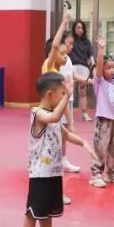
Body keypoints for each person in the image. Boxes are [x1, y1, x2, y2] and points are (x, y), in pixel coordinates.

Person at [20, 72, 93, 227]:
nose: (64, 97)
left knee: (47, 210)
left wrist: (84, 143)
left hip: (53, 172)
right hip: (39, 173)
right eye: (61, 94)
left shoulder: (54, 117)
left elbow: (66, 134)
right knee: (33, 210)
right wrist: (69, 96)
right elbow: (53, 117)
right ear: (50, 94)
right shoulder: (38, 113)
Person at [42, 13, 81, 177]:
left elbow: (63, 102)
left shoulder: (59, 74)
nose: (65, 56)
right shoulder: (49, 65)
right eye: (62, 53)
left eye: (66, 53)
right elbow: (55, 46)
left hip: (56, 114)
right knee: (49, 145)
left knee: (59, 140)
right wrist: (64, 23)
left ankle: (58, 165)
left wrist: (71, 123)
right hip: (48, 115)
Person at [88, 36, 114, 188]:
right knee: (100, 147)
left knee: (112, 147)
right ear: (102, 69)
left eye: (113, 67)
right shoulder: (99, 82)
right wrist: (101, 49)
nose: (112, 70)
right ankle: (96, 174)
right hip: (103, 119)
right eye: (108, 68)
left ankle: (111, 172)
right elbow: (98, 67)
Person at [69, 20, 95, 122]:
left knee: (83, 92)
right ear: (74, 28)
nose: (80, 30)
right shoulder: (70, 39)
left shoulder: (87, 42)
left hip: (83, 67)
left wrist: (94, 68)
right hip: (71, 66)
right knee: (68, 90)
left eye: (82, 28)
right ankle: (67, 112)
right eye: (78, 27)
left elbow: (91, 56)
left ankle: (84, 113)